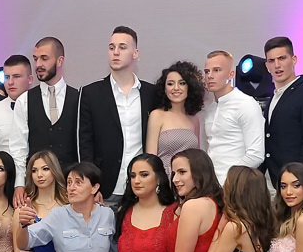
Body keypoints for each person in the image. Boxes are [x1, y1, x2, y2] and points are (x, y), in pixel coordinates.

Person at [78, 26, 158, 205]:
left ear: (135, 53)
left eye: (122, 47)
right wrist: (91, 184)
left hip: (142, 189)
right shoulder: (91, 93)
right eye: (111, 47)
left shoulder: (151, 93)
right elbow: (84, 144)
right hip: (104, 189)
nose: (115, 52)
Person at [262, 37, 303, 186]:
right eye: (271, 61)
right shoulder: (273, 97)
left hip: (296, 182)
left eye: (282, 58)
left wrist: (299, 179)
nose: (277, 65)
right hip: (273, 180)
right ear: (267, 66)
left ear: (293, 60)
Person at [12, 37, 80, 180]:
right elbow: (18, 148)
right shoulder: (24, 100)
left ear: (60, 61)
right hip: (36, 184)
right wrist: (20, 183)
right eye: (35, 59)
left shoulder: (79, 99)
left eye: (44, 58)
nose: (38, 64)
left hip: (70, 183)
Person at [0, 54, 35, 200]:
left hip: (37, 183)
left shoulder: (41, 109)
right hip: (1, 187)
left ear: (30, 79)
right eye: (7, 77)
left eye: (16, 76)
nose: (10, 82)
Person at [203, 51, 265, 184]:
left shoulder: (246, 104)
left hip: (236, 185)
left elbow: (255, 154)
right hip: (211, 185)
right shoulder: (210, 109)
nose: (210, 76)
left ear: (231, 74)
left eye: (217, 70)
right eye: (207, 71)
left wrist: (229, 181)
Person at [144, 61, 204, 176]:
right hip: (164, 179)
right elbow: (151, 160)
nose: (176, 88)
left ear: (190, 87)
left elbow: (197, 158)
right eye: (170, 84)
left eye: (182, 83)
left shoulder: (194, 119)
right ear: (164, 88)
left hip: (189, 181)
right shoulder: (157, 115)